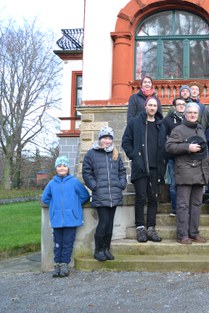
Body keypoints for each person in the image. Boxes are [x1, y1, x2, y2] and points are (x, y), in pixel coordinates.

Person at [165, 102, 209, 244]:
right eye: (190, 112)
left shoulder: (201, 130)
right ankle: (182, 235)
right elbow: (169, 147)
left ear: (198, 115)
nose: (192, 115)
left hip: (200, 172)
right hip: (185, 172)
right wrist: (187, 147)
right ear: (185, 114)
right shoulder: (178, 130)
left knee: (196, 205)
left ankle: (194, 233)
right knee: (183, 205)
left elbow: (204, 150)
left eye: (195, 113)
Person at [122, 96, 164, 243]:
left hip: (155, 168)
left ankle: (151, 228)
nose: (152, 108)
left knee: (153, 199)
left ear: (157, 108)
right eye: (150, 105)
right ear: (145, 107)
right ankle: (140, 228)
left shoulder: (160, 124)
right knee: (140, 198)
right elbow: (126, 141)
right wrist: (135, 156)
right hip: (140, 168)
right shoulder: (135, 123)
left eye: (155, 105)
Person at [82, 126, 127, 262]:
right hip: (100, 195)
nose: (107, 141)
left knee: (110, 225)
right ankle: (98, 250)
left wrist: (121, 184)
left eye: (109, 138)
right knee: (103, 223)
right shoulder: (91, 154)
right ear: (100, 139)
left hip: (114, 194)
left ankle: (106, 249)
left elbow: (122, 171)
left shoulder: (115, 153)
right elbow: (86, 172)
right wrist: (94, 186)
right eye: (105, 138)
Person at [42, 156, 90, 277]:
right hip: (57, 219)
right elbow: (45, 198)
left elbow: (84, 196)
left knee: (68, 243)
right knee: (58, 243)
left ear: (68, 168)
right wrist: (54, 207)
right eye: (59, 166)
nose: (62, 168)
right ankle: (57, 264)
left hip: (71, 219)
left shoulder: (74, 182)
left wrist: (75, 206)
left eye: (64, 166)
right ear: (56, 168)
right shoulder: (51, 184)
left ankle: (64, 265)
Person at [159, 97, 186, 217]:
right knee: (174, 184)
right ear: (174, 107)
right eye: (179, 104)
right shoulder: (168, 120)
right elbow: (163, 138)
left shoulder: (189, 118)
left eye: (183, 104)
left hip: (187, 157)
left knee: (185, 183)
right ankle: (175, 208)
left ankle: (185, 207)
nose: (181, 106)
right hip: (172, 157)